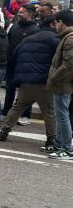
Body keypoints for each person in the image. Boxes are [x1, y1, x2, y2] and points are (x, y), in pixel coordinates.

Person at [0, 16, 59, 146]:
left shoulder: (27, 39)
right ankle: (51, 138)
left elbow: (15, 56)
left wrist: (17, 77)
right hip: (44, 82)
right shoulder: (55, 39)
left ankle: (4, 130)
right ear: (53, 24)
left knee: (18, 107)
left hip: (26, 81)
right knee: (49, 111)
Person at [2, 4, 40, 125]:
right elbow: (7, 42)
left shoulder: (35, 30)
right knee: (9, 89)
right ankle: (6, 112)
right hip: (11, 64)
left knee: (25, 91)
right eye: (19, 11)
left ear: (30, 14)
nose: (19, 14)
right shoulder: (14, 26)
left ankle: (25, 115)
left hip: (26, 65)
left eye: (22, 12)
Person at [45, 10, 73, 160]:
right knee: (61, 114)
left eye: (56, 22)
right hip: (62, 83)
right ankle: (59, 144)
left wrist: (54, 78)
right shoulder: (67, 37)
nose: (54, 25)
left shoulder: (70, 39)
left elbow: (69, 65)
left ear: (61, 22)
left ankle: (68, 149)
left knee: (62, 116)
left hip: (63, 84)